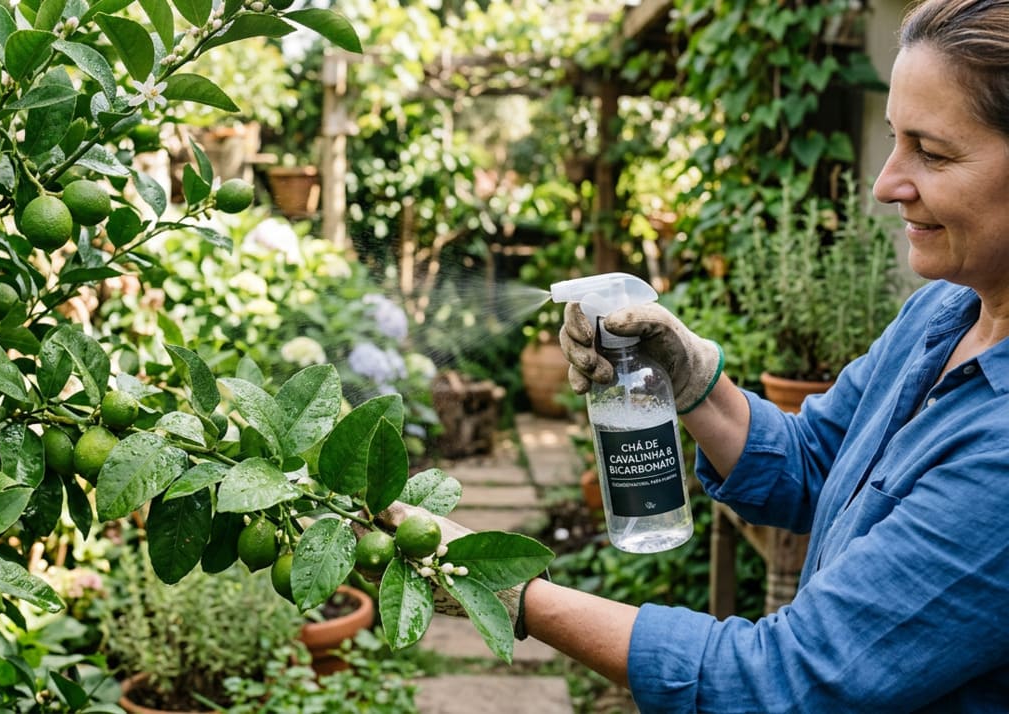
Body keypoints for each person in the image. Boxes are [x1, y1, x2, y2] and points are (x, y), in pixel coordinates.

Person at [382, 0, 1009, 710]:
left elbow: (786, 682)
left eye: (932, 152)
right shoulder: (944, 313)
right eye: (894, 140)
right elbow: (815, 468)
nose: (886, 183)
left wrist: (510, 591)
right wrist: (695, 383)